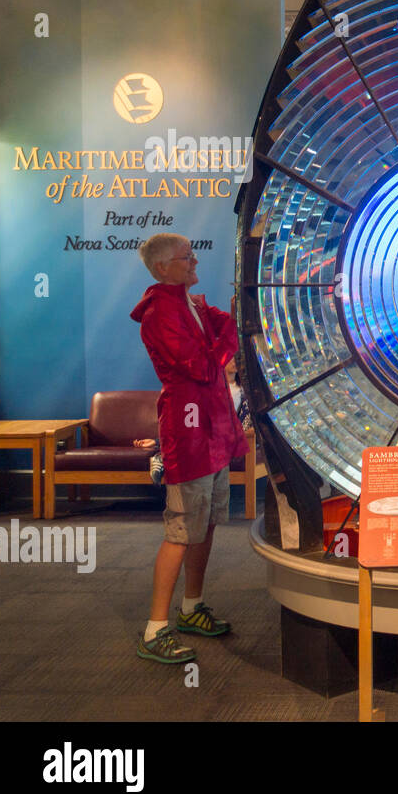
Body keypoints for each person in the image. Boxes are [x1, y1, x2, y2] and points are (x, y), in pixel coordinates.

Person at [131, 234, 246, 664]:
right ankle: (154, 629)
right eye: (187, 257)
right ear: (164, 267)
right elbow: (201, 366)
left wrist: (230, 330)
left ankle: (190, 607)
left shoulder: (191, 304)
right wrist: (226, 346)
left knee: (206, 524)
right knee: (181, 529)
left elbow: (228, 329)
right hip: (190, 431)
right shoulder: (160, 312)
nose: (195, 260)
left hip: (211, 431)